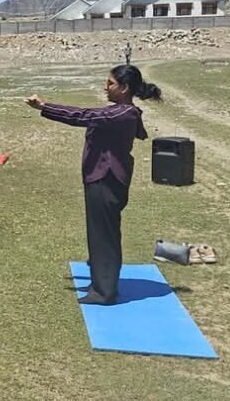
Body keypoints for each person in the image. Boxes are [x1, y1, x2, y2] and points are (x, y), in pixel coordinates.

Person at [24, 64, 161, 305]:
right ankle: (102, 280)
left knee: (104, 236)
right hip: (102, 178)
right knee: (101, 234)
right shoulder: (122, 112)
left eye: (110, 83)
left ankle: (104, 292)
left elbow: (82, 116)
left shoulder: (121, 114)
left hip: (106, 179)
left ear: (124, 88)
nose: (105, 87)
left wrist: (44, 107)